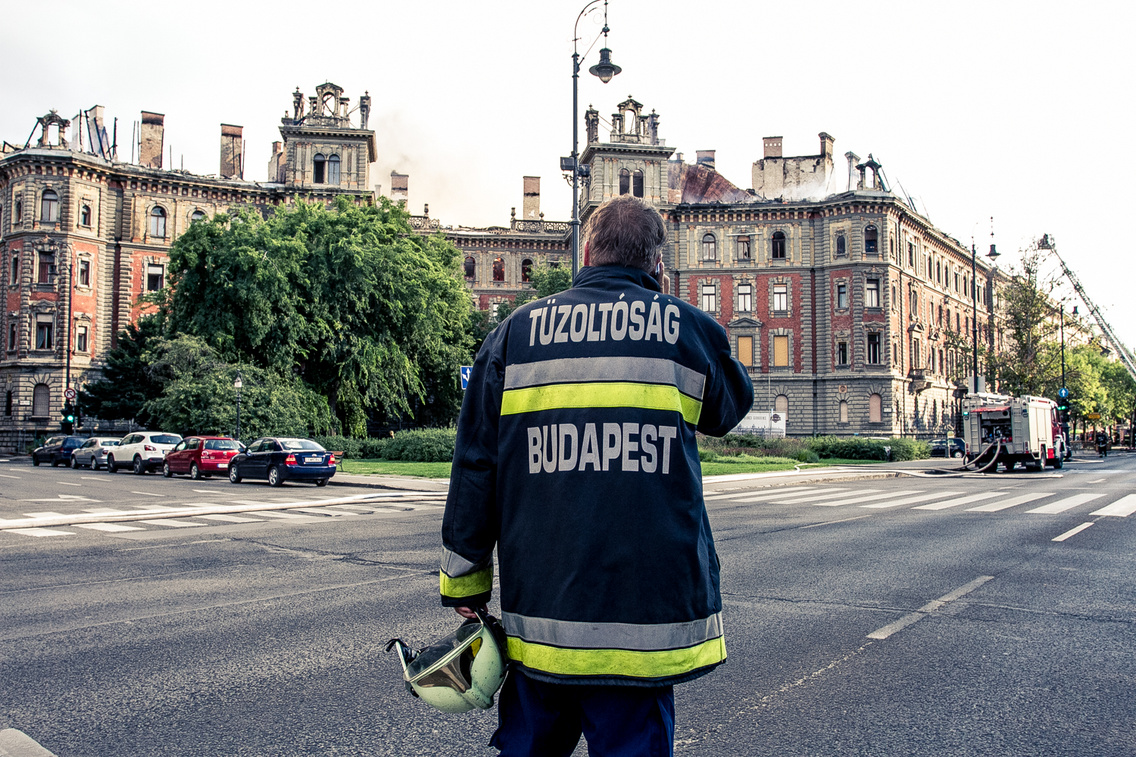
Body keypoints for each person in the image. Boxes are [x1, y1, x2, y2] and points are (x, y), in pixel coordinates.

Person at [439, 195, 755, 756]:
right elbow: (729, 409)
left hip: (542, 627)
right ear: (658, 264)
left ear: (587, 251)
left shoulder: (514, 334)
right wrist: (663, 307)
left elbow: (475, 466)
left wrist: (466, 587)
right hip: (643, 629)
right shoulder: (686, 330)